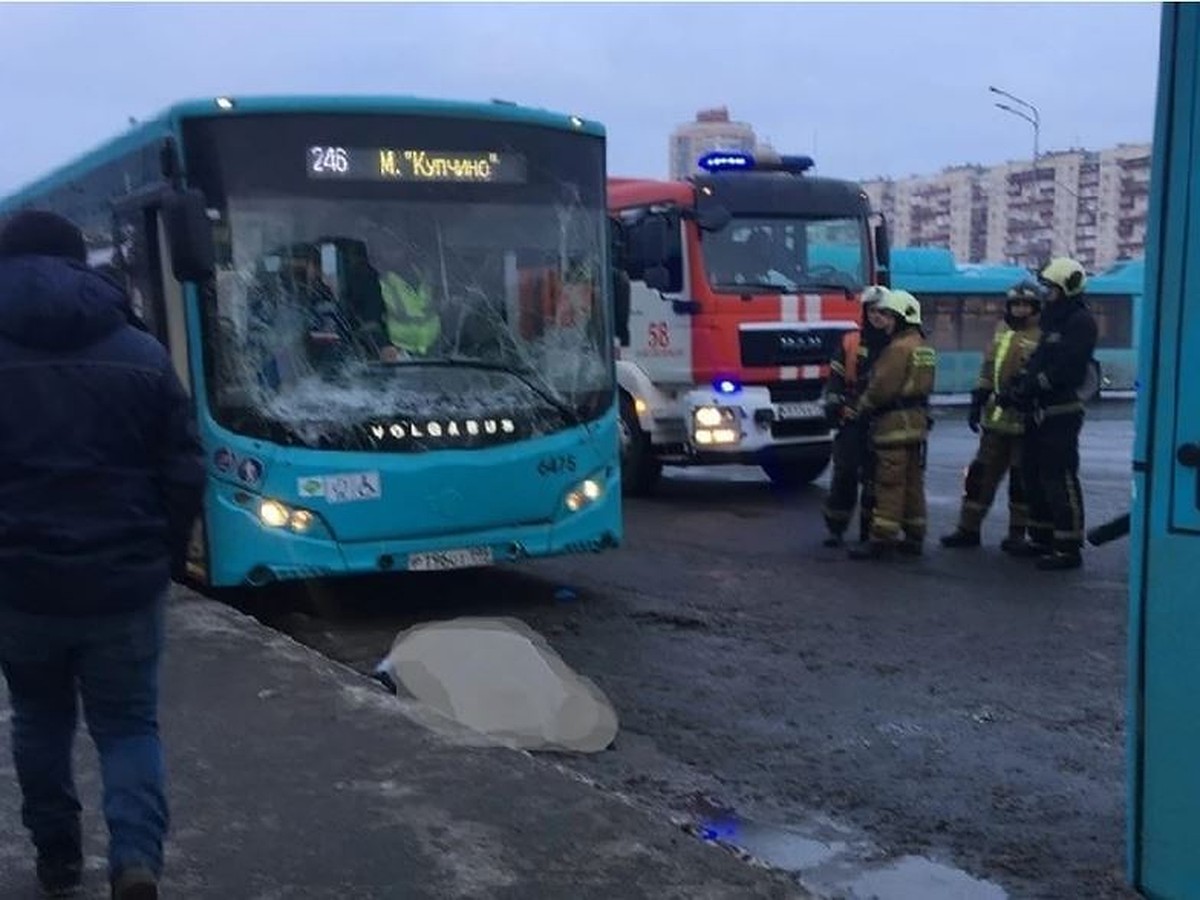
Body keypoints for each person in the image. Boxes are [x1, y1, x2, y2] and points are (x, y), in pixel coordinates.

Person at [0, 210, 205, 898]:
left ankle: (57, 856)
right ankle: (136, 859)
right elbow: (182, 469)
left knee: (38, 718)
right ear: (78, 264)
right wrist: (164, 554)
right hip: (122, 583)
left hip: (19, 584)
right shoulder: (140, 352)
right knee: (127, 727)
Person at [1003, 256, 1099, 571]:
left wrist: (1037, 385)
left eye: (1051, 288)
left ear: (1067, 288)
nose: (1046, 294)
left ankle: (1068, 546)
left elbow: (1068, 366)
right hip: (1039, 411)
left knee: (1059, 477)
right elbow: (1040, 358)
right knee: (1033, 474)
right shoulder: (1054, 320)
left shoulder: (1080, 322)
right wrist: (1020, 385)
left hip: (1061, 411)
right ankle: (1042, 537)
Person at [940, 279, 1044, 551]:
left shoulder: (1042, 335)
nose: (1020, 309)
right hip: (995, 421)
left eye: (1026, 305)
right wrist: (978, 398)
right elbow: (989, 369)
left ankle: (1017, 535)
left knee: (1021, 484)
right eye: (1016, 304)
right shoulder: (1002, 330)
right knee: (978, 477)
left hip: (1025, 422)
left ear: (1036, 307)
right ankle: (968, 529)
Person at [848, 289, 937, 560]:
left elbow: (881, 389)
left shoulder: (897, 349)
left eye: (888, 316)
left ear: (901, 318)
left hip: (893, 426)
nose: (884, 321)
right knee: (912, 483)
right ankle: (914, 535)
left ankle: (882, 540)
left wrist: (861, 408)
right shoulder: (923, 346)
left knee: (889, 483)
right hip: (916, 424)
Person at [820, 284, 889, 546]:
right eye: (872, 310)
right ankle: (836, 527)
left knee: (876, 478)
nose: (877, 316)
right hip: (851, 417)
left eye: (883, 311)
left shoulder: (897, 343)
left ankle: (869, 531)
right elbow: (836, 377)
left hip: (882, 419)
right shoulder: (850, 340)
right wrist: (833, 404)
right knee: (845, 473)